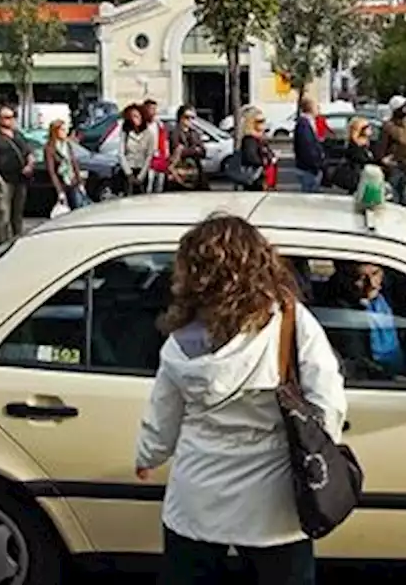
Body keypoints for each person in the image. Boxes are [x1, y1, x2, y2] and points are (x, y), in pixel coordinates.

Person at [135, 214, 346, 585]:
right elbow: (327, 399)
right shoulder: (291, 323)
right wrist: (319, 450)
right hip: (274, 505)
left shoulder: (178, 342)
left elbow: (162, 419)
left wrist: (147, 457)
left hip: (197, 499)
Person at [0, 106, 36, 243]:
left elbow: (29, 152)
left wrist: (29, 165)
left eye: (12, 117)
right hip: (4, 180)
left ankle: (17, 241)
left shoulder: (18, 135)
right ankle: (2, 244)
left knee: (17, 215)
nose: (10, 120)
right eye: (6, 117)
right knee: (3, 216)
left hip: (20, 179)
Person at [378, 96, 406, 205]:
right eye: (403, 107)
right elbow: (382, 145)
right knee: (392, 197)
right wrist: (383, 160)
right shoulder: (388, 126)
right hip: (394, 166)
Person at [45, 120, 88, 210]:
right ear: (56, 131)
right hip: (61, 183)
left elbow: (74, 163)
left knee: (78, 208)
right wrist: (60, 191)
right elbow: (52, 172)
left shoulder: (67, 144)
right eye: (63, 130)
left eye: (65, 130)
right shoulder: (50, 148)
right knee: (64, 210)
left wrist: (80, 183)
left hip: (72, 181)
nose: (65, 132)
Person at [169, 105, 209, 192]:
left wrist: (189, 150)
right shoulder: (174, 133)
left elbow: (203, 151)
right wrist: (194, 150)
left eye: (193, 118)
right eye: (187, 117)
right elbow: (177, 150)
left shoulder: (195, 133)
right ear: (180, 118)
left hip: (196, 172)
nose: (190, 120)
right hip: (181, 172)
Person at [292, 98, 324, 193]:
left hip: (309, 167)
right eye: (316, 106)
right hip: (308, 168)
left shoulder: (307, 122)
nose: (319, 109)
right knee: (309, 195)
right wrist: (316, 164)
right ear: (310, 108)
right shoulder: (304, 124)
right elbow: (307, 146)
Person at [237, 106, 273, 192]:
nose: (263, 124)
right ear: (251, 122)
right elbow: (251, 157)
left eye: (264, 120)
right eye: (259, 121)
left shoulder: (261, 138)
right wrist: (265, 161)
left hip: (263, 176)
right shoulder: (249, 139)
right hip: (255, 177)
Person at [120, 104, 152, 195]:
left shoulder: (149, 134)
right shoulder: (125, 133)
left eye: (136, 116)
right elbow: (121, 153)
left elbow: (149, 155)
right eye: (132, 117)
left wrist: (141, 175)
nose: (134, 119)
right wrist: (129, 173)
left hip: (142, 170)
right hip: (128, 170)